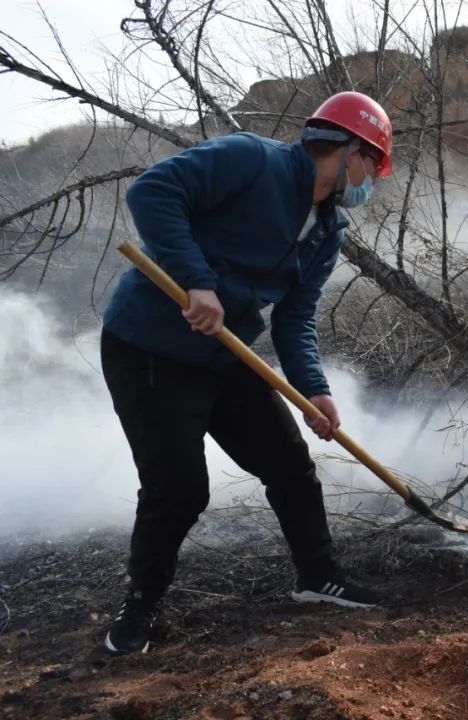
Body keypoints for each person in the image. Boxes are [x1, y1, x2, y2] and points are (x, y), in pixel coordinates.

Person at [99, 91, 394, 655]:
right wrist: (195, 280)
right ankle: (137, 608)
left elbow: (296, 318)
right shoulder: (250, 160)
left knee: (289, 465)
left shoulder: (327, 230)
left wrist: (316, 391)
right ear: (349, 150)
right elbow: (152, 193)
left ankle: (319, 577)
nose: (368, 182)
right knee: (180, 490)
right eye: (371, 166)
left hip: (224, 352)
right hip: (149, 348)